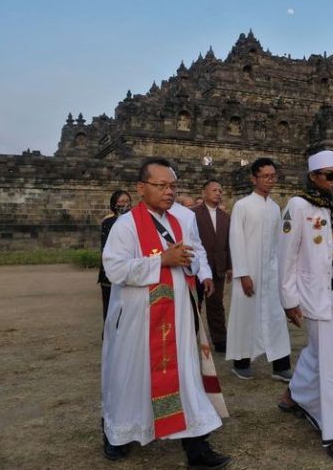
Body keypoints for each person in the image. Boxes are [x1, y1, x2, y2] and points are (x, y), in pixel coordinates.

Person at [101, 158, 230, 468]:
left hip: (179, 314)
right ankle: (117, 433)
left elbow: (194, 255)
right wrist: (162, 261)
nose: (169, 191)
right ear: (141, 188)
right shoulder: (125, 226)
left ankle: (196, 445)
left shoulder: (180, 221)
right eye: (161, 185)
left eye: (173, 185)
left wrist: (195, 267)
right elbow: (114, 268)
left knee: (184, 375)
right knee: (131, 377)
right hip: (138, 319)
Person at [277, 150, 333, 466]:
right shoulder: (298, 206)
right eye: (330, 175)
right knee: (332, 363)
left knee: (320, 351)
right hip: (313, 295)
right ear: (313, 177)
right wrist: (289, 301)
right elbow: (286, 257)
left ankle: (293, 395)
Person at [227, 158, 292, 381]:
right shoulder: (242, 206)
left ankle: (280, 365)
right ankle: (241, 362)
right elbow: (236, 240)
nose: (270, 180)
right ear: (254, 178)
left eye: (273, 176)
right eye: (265, 176)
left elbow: (277, 243)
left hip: (270, 273)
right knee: (246, 316)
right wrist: (243, 273)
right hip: (249, 272)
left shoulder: (275, 208)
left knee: (275, 317)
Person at [191, 180, 232, 353]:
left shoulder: (225, 217)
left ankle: (220, 339)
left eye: (220, 190)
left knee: (216, 304)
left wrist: (229, 265)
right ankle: (191, 338)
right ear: (204, 192)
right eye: (214, 190)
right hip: (197, 266)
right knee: (194, 304)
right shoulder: (192, 214)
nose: (218, 193)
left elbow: (230, 243)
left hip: (218, 266)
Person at [98, 190, 132, 322]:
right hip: (110, 270)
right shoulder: (108, 221)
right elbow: (106, 247)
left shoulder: (134, 221)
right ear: (114, 204)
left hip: (129, 267)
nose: (124, 205)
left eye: (127, 202)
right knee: (110, 308)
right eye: (121, 202)